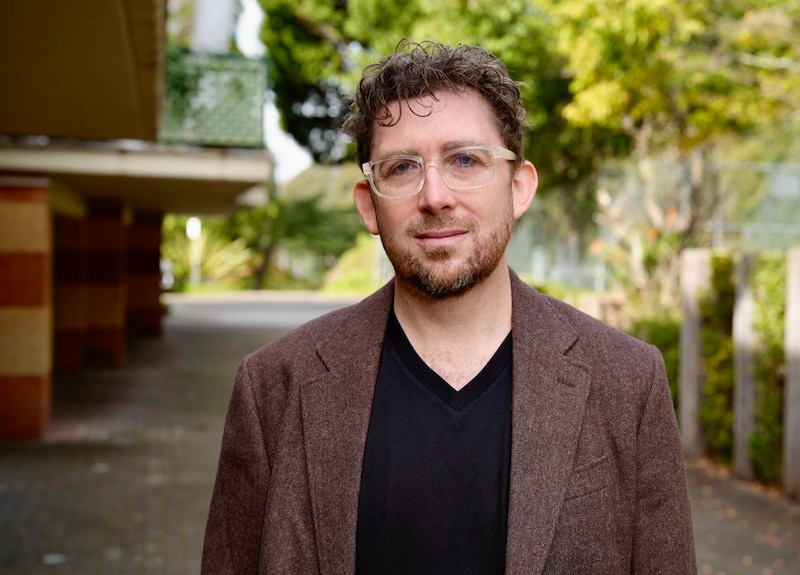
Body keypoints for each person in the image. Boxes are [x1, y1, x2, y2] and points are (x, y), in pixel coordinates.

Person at [201, 40, 697, 575]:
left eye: (465, 160)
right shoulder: (273, 386)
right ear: (369, 205)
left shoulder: (627, 382)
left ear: (519, 188)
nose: (435, 195)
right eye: (401, 168)